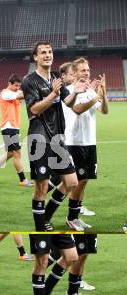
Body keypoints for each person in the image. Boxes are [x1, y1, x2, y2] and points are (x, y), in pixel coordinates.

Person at [21, 41, 87, 231]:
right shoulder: (29, 80)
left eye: (49, 52)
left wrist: (75, 92)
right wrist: (52, 94)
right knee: (40, 188)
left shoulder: (56, 77)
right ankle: (40, 227)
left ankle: (47, 215)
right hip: (39, 138)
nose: (47, 55)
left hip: (57, 139)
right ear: (35, 57)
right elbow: (34, 109)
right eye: (43, 52)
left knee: (71, 182)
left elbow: (67, 102)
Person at [46, 58, 108, 231]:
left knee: (83, 181)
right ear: (75, 72)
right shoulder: (70, 90)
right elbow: (78, 109)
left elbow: (104, 110)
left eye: (88, 70)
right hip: (74, 142)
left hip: (89, 142)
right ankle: (54, 215)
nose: (87, 73)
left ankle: (73, 217)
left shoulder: (89, 91)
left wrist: (103, 92)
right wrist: (95, 95)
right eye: (83, 70)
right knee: (72, 183)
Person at [0, 74, 33, 187]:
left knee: (11, 153)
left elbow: (21, 96)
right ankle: (23, 180)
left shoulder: (12, 93)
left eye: (19, 86)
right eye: (16, 85)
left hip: (12, 126)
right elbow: (21, 95)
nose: (17, 88)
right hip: (9, 126)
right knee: (17, 153)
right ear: (9, 84)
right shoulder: (6, 93)